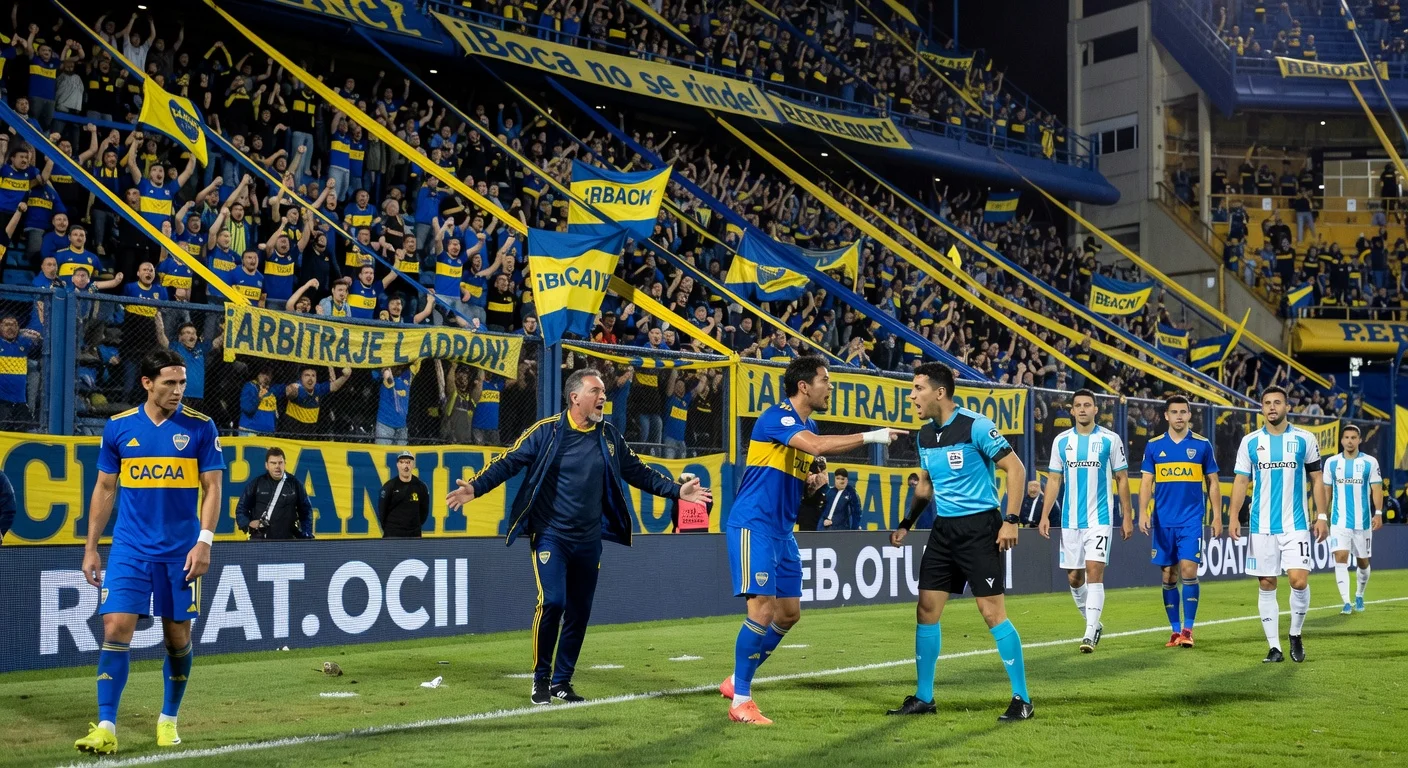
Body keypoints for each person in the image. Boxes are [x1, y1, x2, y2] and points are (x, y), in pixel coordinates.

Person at [445, 369, 711, 706]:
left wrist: (676, 491)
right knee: (553, 602)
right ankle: (540, 680)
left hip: (589, 539)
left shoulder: (610, 436)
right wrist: (475, 486)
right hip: (550, 536)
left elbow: (638, 472)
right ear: (575, 398)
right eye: (596, 391)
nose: (603, 396)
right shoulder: (547, 432)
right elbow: (508, 462)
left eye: (603, 391)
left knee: (580, 611)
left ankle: (562, 682)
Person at [718, 356, 903, 725]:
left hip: (782, 532)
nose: (829, 387)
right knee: (762, 610)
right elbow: (816, 446)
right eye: (825, 380)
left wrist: (810, 483)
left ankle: (736, 679)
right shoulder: (776, 417)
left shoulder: (809, 423)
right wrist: (871, 435)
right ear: (804, 386)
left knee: (789, 614)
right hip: (753, 525)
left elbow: (804, 463)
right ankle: (741, 700)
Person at [75, 349, 224, 754]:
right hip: (130, 547)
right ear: (146, 383)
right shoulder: (118, 427)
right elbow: (106, 488)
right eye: (169, 383)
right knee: (115, 628)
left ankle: (168, 718)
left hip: (181, 551)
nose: (178, 391)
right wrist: (91, 548)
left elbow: (213, 488)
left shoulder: (201, 427)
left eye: (182, 383)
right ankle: (106, 725)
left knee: (177, 639)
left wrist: (205, 541)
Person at [886, 362, 1032, 723]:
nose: (912, 395)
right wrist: (907, 522)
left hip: (981, 528)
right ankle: (924, 697)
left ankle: (1022, 699)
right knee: (926, 610)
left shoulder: (976, 425)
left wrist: (1011, 520)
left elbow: (1016, 469)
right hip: (944, 531)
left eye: (917, 388)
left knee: (991, 613)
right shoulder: (923, 435)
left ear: (939, 392)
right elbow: (925, 486)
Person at [1226, 386, 1327, 664]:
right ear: (1261, 408)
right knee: (1267, 582)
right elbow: (1241, 481)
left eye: (1277, 402)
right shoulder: (1250, 442)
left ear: (1287, 407)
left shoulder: (1305, 439)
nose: (1272, 407)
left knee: (1298, 579)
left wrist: (1322, 516)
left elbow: (1317, 479)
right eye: (1267, 403)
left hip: (1295, 523)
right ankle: (1274, 647)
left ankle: (1295, 633)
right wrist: (1233, 516)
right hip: (1261, 524)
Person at [1039, 389, 1133, 653]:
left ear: (1095, 410)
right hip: (1070, 520)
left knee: (1094, 571)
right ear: (1072, 410)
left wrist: (1127, 516)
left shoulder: (1109, 440)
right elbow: (1054, 480)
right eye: (1078, 405)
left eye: (1087, 405)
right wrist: (1045, 515)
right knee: (1073, 578)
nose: (1082, 409)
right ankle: (1094, 623)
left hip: (1099, 518)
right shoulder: (1061, 441)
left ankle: (1090, 634)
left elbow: (1122, 478)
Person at [1137, 395, 1219, 649]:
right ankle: (1174, 632)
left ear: (1189, 415)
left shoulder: (1202, 445)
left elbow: (1213, 482)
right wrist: (1142, 512)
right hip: (1163, 521)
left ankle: (1188, 629)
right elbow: (1146, 482)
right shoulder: (1154, 446)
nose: (1179, 416)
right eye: (1174, 412)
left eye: (1184, 412)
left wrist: (1217, 515)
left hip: (1191, 520)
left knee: (1188, 570)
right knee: (1168, 575)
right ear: (1166, 416)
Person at [1322, 424, 1383, 614]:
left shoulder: (1370, 463)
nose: (1349, 441)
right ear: (1341, 440)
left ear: (1359, 440)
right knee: (1340, 557)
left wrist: (1378, 513)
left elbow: (1376, 489)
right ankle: (1346, 602)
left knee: (1363, 562)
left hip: (1362, 522)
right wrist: (1322, 516)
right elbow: (1326, 491)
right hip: (1339, 521)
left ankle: (1359, 594)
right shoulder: (1331, 463)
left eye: (1353, 438)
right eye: (1346, 437)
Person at [234, 447, 313, 540]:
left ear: (285, 464)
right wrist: (247, 524)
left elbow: (306, 511)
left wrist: (307, 534)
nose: (277, 466)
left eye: (280, 463)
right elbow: (241, 508)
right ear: (266, 465)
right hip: (260, 540)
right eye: (273, 463)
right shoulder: (257, 484)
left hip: (288, 540)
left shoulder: (295, 484)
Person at [378, 450, 430, 537]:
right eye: (402, 462)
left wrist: (414, 526)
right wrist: (391, 528)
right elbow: (382, 511)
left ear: (413, 465)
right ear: (397, 465)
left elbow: (424, 511)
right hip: (393, 533)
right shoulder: (389, 486)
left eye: (408, 462)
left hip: (414, 534)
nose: (405, 466)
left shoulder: (421, 486)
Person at [821, 466, 861, 530]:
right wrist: (823, 521)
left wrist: (855, 527)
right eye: (838, 478)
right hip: (826, 529)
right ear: (834, 479)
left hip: (842, 529)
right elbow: (823, 510)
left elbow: (856, 511)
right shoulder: (829, 492)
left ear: (846, 480)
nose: (840, 481)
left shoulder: (851, 493)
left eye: (842, 479)